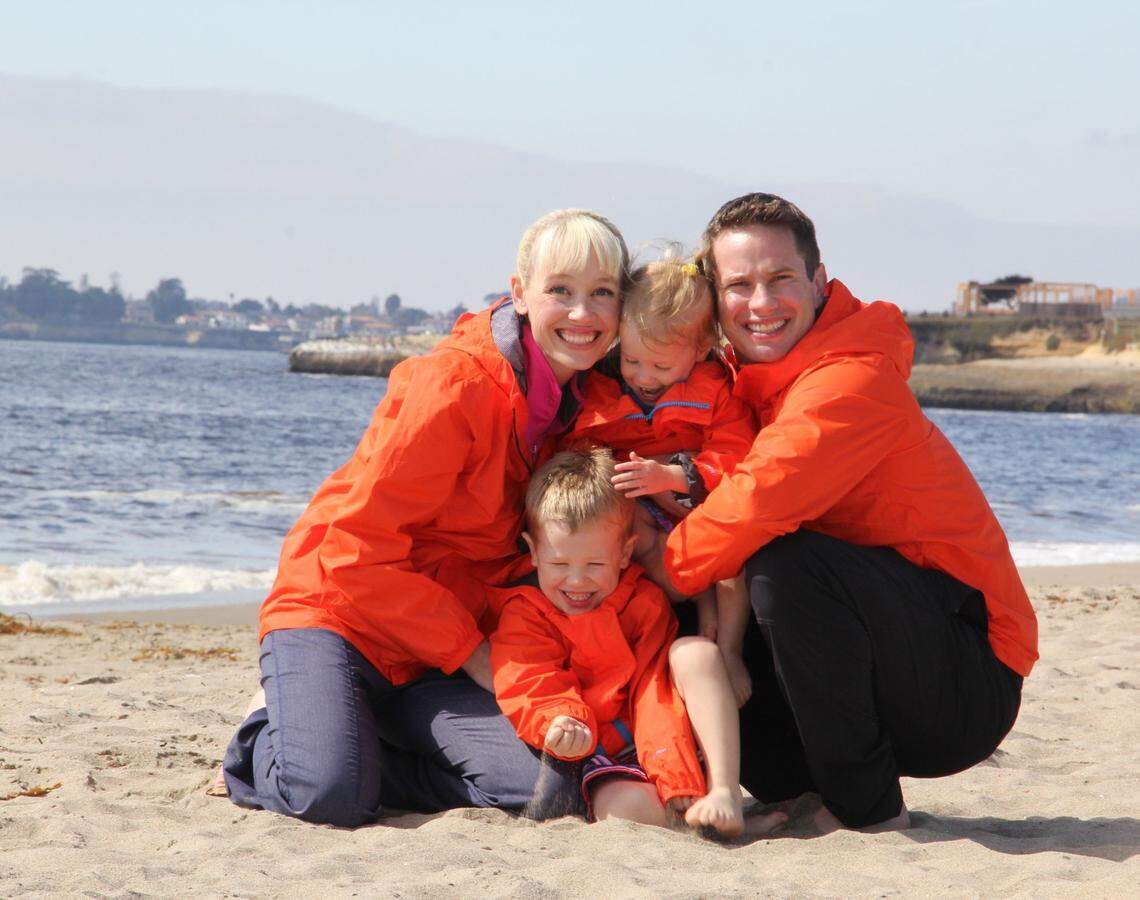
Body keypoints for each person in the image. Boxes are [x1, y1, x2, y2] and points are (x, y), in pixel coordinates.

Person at [218, 209, 629, 826]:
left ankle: (352, 732)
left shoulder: (588, 403)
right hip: (342, 613)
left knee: (534, 793)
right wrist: (472, 653)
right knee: (328, 795)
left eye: (603, 293)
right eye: (560, 291)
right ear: (519, 293)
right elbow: (355, 554)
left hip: (435, 651)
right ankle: (270, 724)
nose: (583, 313)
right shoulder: (453, 386)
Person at [661, 192, 1038, 834]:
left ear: (818, 281)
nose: (761, 303)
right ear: (716, 301)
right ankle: (803, 790)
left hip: (966, 673)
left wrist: (639, 572)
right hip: (873, 651)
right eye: (740, 285)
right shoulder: (742, 382)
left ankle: (871, 812)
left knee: (779, 564)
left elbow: (752, 508)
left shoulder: (849, 380)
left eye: (780, 279)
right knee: (699, 601)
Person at [489, 448, 779, 837]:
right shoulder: (524, 613)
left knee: (695, 653)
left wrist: (674, 774)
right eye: (560, 565)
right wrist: (560, 720)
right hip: (603, 748)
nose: (576, 582)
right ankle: (698, 820)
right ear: (534, 552)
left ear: (625, 553)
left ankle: (724, 792)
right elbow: (527, 680)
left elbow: (654, 690)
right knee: (624, 810)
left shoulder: (643, 599)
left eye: (594, 565)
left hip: (668, 734)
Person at [562, 254, 756, 706]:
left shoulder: (716, 392)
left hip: (699, 505)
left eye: (662, 368)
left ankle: (728, 647)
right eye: (632, 360)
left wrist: (674, 474)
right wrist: (598, 470)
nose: (644, 377)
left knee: (732, 558)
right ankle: (696, 609)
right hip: (642, 511)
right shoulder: (601, 390)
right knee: (637, 540)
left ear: (701, 347)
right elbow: (571, 445)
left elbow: (738, 454)